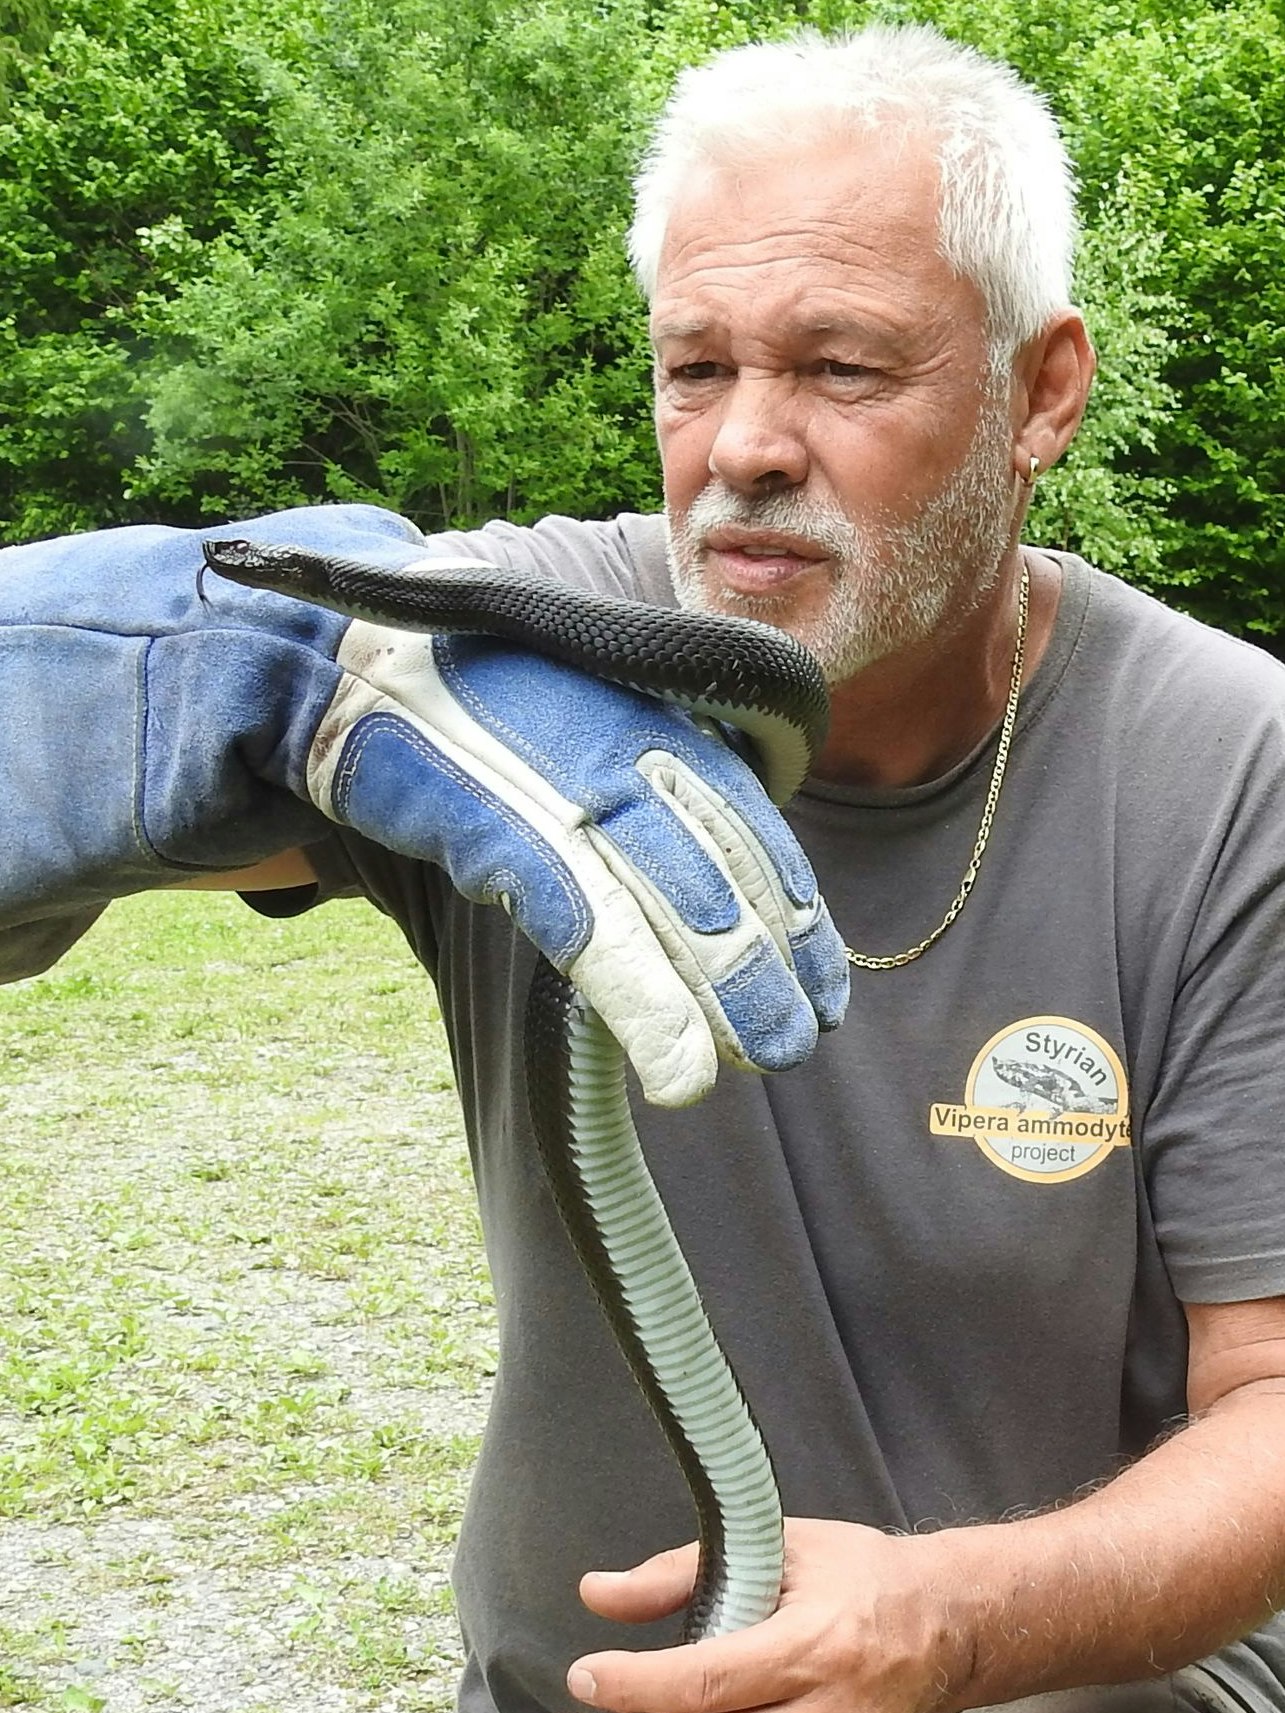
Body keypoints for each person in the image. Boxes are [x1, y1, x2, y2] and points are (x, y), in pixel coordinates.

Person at [3, 21, 1285, 1713]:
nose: (743, 443)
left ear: (1039, 392)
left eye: (840, 368)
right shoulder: (506, 663)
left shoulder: (1226, 765)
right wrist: (249, 678)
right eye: (694, 367)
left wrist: (957, 1621)